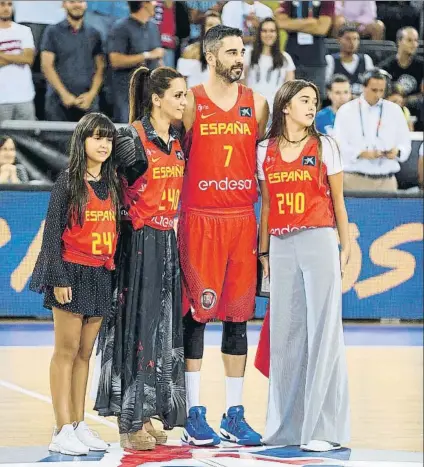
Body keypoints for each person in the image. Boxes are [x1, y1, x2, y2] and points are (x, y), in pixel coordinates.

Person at [178, 24, 269, 447]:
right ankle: (192, 411)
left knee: (238, 318)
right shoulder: (190, 103)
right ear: (211, 56)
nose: (239, 59)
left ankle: (235, 412)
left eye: (242, 51)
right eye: (231, 52)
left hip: (241, 221)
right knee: (195, 316)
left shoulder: (259, 105)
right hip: (199, 220)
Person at [94, 66, 187, 451]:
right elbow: (108, 193)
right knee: (134, 332)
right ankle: (127, 421)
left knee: (162, 331)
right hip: (137, 245)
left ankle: (151, 412)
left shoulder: (176, 139)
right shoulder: (131, 139)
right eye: (178, 95)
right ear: (156, 98)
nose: (184, 102)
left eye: (185, 95)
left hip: (167, 242)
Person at [255, 79, 350, 452]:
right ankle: (285, 428)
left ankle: (324, 429)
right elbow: (265, 207)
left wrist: (344, 246)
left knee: (325, 332)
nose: (312, 106)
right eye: (304, 100)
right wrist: (263, 254)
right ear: (285, 107)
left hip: (319, 238)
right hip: (280, 245)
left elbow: (339, 202)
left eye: (314, 101)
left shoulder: (325, 146)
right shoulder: (265, 149)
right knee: (286, 335)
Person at [29, 113, 120, 455]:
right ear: (82, 141)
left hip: (100, 274)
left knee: (85, 354)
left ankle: (79, 424)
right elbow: (51, 235)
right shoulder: (68, 181)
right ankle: (61, 427)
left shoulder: (111, 185)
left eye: (108, 139)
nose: (103, 144)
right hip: (71, 272)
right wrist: (58, 278)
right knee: (65, 352)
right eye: (96, 137)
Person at [334, 69, 411, 192]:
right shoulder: (346, 111)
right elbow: (339, 144)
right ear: (364, 87)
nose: (378, 95)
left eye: (382, 91)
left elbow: (405, 143)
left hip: (387, 180)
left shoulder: (395, 110)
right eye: (374, 90)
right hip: (354, 178)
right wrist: (360, 153)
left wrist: (397, 152)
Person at [244, 17, 295, 115]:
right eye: (264, 31)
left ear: (277, 34)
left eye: (272, 31)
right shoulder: (248, 55)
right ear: (259, 33)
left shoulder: (285, 58)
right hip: (251, 110)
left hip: (275, 112)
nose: (268, 34)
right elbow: (241, 84)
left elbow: (289, 90)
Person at [325, 25, 374, 98]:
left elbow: (372, 86)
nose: (352, 42)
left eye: (355, 39)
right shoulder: (330, 60)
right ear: (339, 40)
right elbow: (326, 86)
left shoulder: (366, 59)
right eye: (348, 39)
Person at [177, 10, 222, 88]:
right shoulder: (190, 51)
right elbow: (180, 83)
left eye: (217, 26)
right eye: (210, 25)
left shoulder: (227, 54)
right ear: (203, 28)